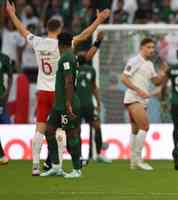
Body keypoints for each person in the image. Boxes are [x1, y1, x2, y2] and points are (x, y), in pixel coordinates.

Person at [6, 0, 111, 176]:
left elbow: (23, 31)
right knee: (61, 129)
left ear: (47, 28)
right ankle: (59, 165)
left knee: (40, 129)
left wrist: (11, 14)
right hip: (59, 93)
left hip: (42, 91)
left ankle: (35, 165)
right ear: (60, 28)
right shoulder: (65, 44)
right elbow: (85, 35)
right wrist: (98, 20)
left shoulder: (38, 42)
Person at [121, 38, 167, 170]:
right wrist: (138, 90)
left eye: (153, 47)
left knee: (135, 130)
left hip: (142, 100)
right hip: (133, 98)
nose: (151, 50)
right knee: (145, 126)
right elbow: (124, 78)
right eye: (149, 47)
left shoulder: (149, 64)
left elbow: (156, 82)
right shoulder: (134, 61)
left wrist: (164, 73)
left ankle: (133, 161)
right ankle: (139, 159)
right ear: (141, 48)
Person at [40, 32, 82, 178]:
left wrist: (68, 103)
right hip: (59, 105)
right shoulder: (71, 56)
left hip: (66, 104)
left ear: (59, 44)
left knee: (71, 134)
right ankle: (56, 167)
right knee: (49, 130)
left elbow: (69, 81)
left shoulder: (66, 57)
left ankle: (77, 169)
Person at [76, 32, 111, 164]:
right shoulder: (72, 68)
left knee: (96, 127)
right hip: (77, 105)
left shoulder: (91, 70)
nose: (83, 55)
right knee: (78, 130)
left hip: (88, 104)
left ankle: (99, 154)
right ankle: (79, 156)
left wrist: (98, 101)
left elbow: (94, 87)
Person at [0, 52, 14, 165]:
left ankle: (2, 155)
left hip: (0, 97)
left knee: (7, 123)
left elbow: (10, 75)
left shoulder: (4, 58)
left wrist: (7, 93)